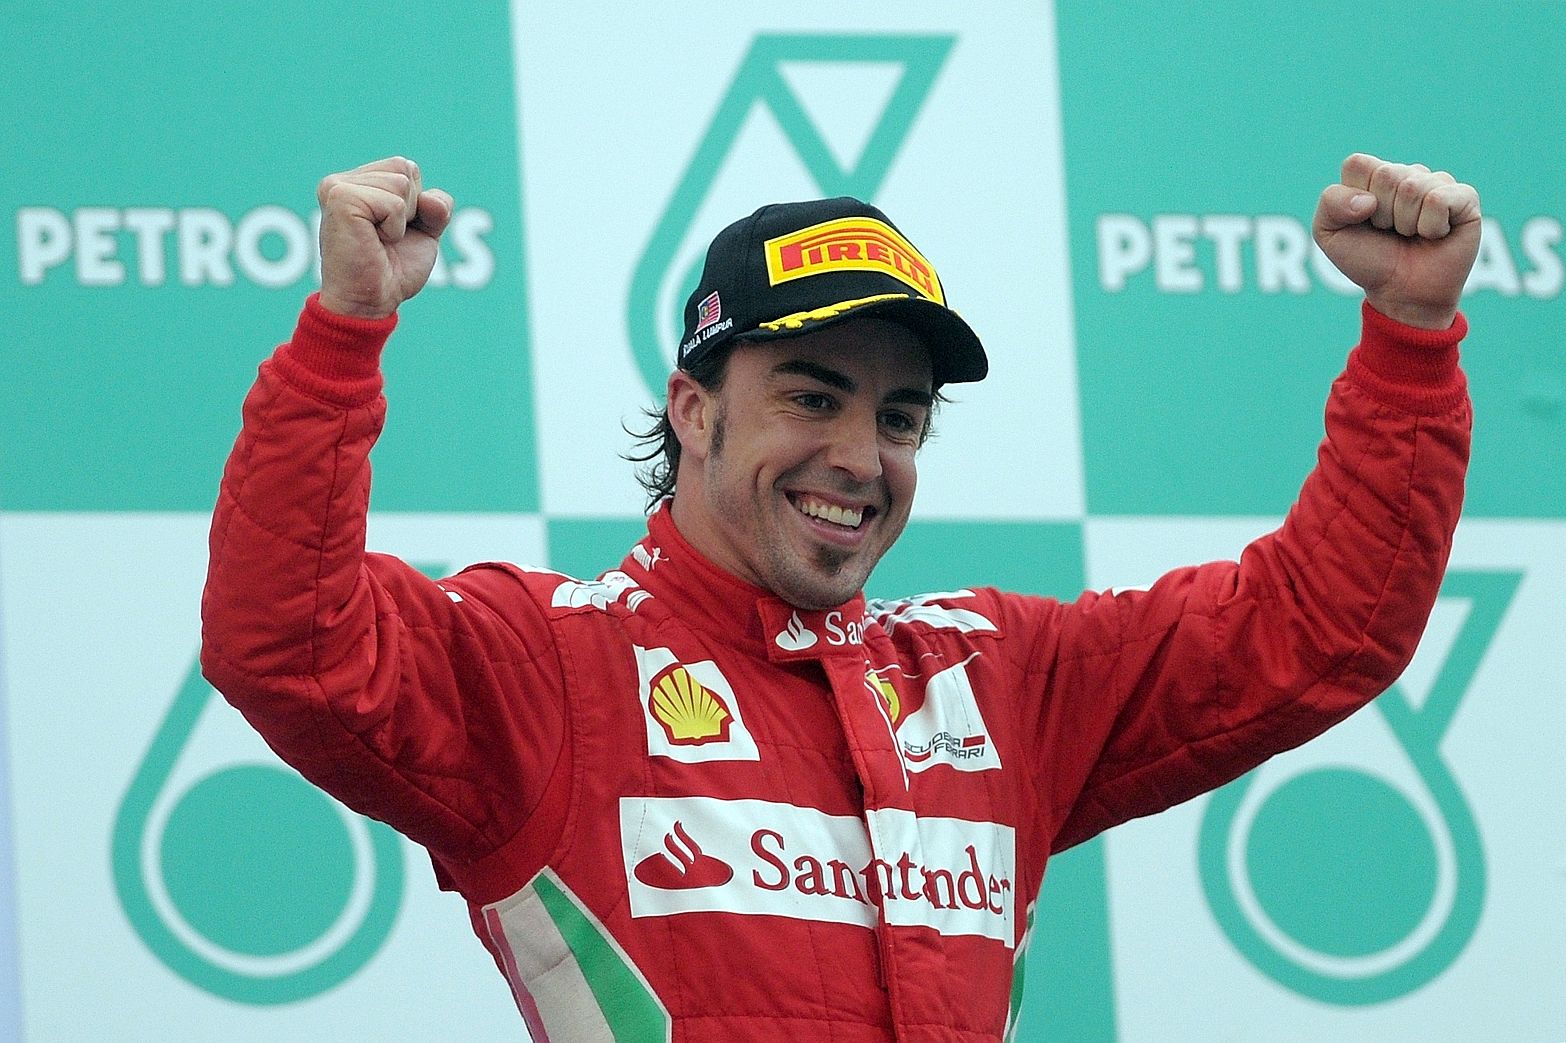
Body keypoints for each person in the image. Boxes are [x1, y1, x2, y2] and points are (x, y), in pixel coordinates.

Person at [201, 153, 1478, 1042]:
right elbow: (289, 645)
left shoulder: (998, 680)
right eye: (811, 397)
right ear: (693, 410)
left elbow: (1320, 627)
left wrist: (1410, 336)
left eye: (899, 415)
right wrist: (341, 338)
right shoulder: (547, 663)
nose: (861, 457)